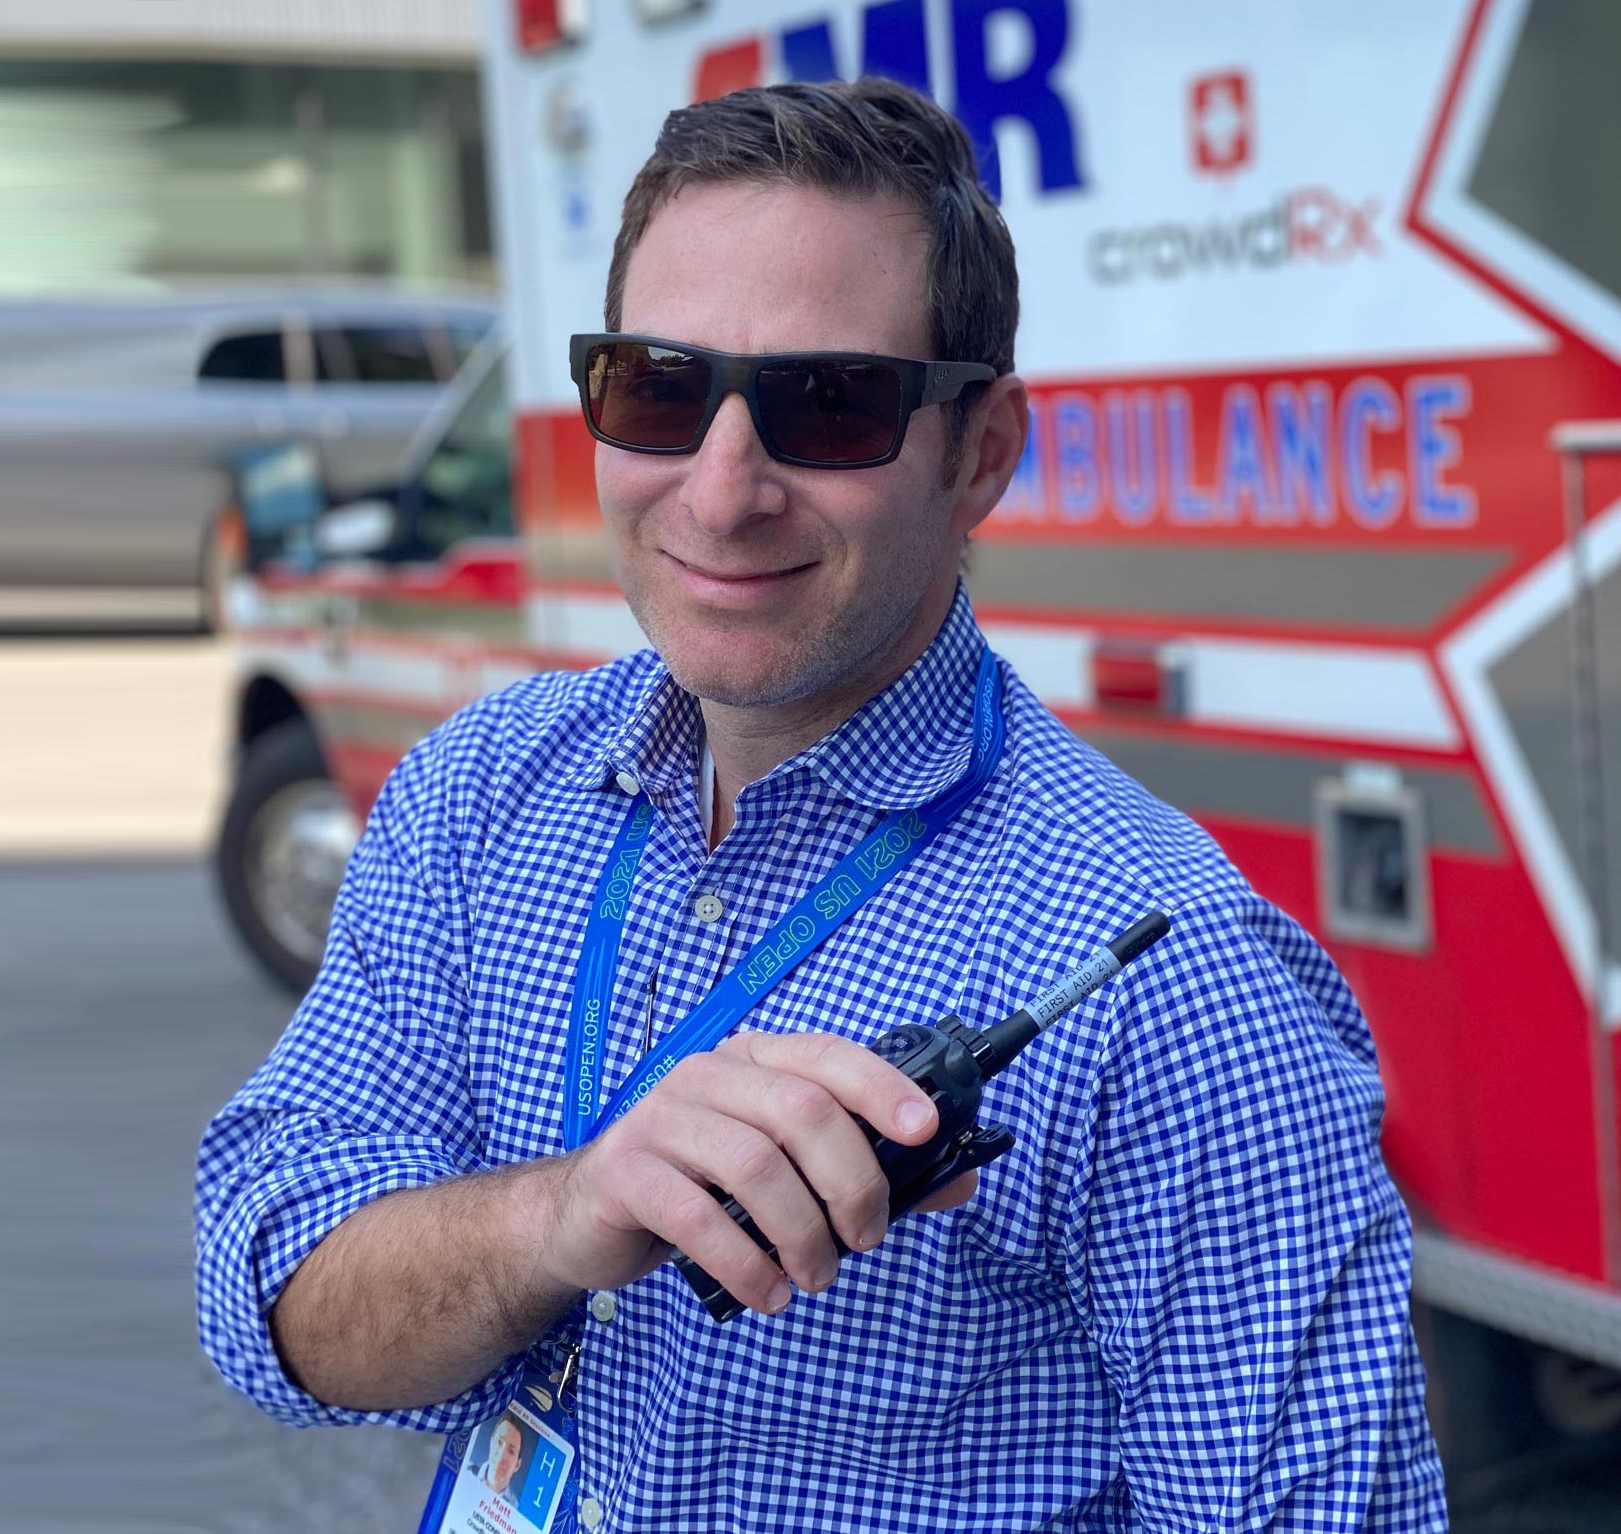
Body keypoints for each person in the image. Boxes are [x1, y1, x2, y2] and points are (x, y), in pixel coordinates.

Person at [197, 78, 1447, 1530]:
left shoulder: (1176, 984)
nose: (722, 492)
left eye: (828, 405)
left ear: (979, 451)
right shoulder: (479, 792)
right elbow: (269, 1298)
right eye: (659, 386)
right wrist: (565, 1216)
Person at [479, 1417, 524, 1502]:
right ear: (491, 1441)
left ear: (517, 1465)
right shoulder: (465, 1470)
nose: (501, 1456)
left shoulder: (516, 1508)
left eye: (511, 1451)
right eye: (499, 1442)